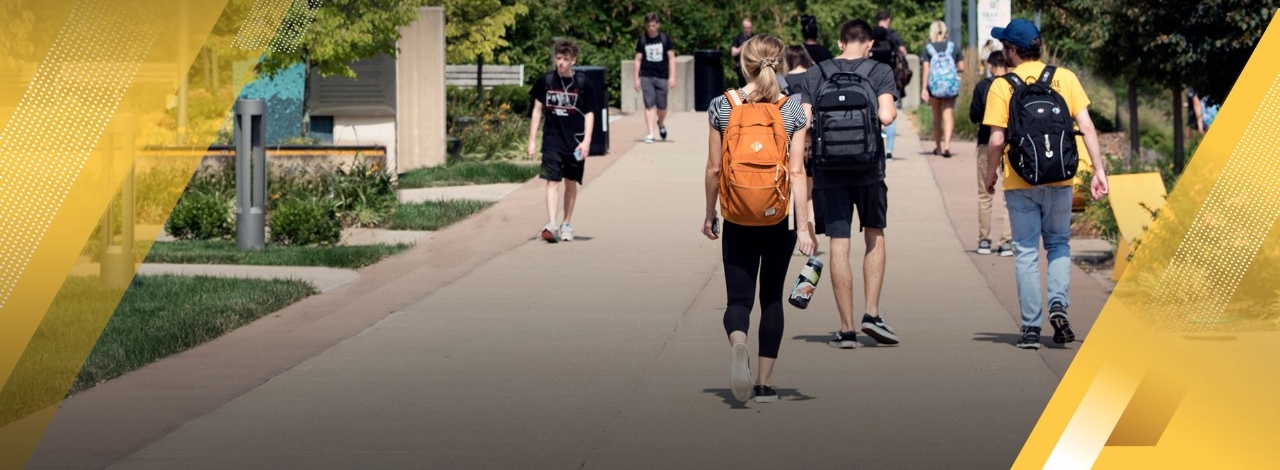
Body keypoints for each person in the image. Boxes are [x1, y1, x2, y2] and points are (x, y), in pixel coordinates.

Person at [983, 19, 1109, 350]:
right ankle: (1059, 306)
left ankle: (1029, 328)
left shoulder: (1002, 86)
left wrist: (990, 174)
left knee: (1025, 251)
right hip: (1061, 177)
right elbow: (1088, 127)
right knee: (1058, 244)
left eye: (1004, 47)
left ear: (1011, 50)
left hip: (1020, 180)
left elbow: (997, 140)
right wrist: (1099, 170)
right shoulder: (1064, 78)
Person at [702, 35, 813, 403]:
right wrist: (804, 227)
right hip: (777, 218)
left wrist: (709, 214)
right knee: (772, 300)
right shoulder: (792, 109)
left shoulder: (723, 105)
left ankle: (738, 342)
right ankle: (764, 386)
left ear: (743, 63)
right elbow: (797, 173)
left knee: (738, 300)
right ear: (778, 64)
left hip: (737, 216)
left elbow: (715, 169)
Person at [800, 19, 900, 349]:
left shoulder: (816, 73)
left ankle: (846, 330)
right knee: (874, 234)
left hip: (829, 170)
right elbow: (886, 117)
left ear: (840, 43)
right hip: (869, 168)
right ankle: (871, 314)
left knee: (839, 244)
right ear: (869, 43)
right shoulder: (880, 71)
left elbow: (804, 123)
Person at [528, 39, 596, 243]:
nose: (561, 63)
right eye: (558, 58)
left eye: (565, 59)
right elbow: (537, 110)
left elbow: (590, 113)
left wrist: (587, 142)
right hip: (552, 140)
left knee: (570, 183)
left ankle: (566, 223)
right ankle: (551, 223)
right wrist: (532, 140)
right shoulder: (546, 80)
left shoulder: (583, 83)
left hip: (574, 142)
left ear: (573, 60)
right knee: (552, 181)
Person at [969, 51, 1013, 257]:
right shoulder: (1014, 85)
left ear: (990, 65)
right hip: (1012, 144)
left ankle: (984, 240)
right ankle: (1006, 241)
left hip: (987, 141)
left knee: (985, 193)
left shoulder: (983, 87)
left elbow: (973, 115)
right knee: (1009, 194)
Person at [922, 20, 964, 157]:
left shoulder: (928, 49)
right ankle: (947, 146)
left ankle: (938, 147)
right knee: (948, 115)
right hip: (950, 87)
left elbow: (926, 70)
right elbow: (962, 67)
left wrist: (924, 89)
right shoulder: (953, 47)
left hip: (934, 87)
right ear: (946, 33)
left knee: (936, 117)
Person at [634, 12, 676, 144]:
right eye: (648, 26)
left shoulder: (664, 39)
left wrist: (672, 76)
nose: (651, 28)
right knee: (649, 105)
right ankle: (651, 133)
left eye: (653, 25)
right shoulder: (642, 40)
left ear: (657, 25)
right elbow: (638, 59)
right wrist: (636, 78)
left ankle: (661, 123)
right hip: (646, 75)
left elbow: (672, 58)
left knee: (662, 107)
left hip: (662, 76)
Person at [875, 9, 908, 161]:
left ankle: (875, 148)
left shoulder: (871, 34)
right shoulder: (893, 36)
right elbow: (903, 52)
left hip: (871, 77)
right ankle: (889, 151)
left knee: (873, 112)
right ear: (888, 20)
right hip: (890, 79)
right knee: (891, 113)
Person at [730, 17, 756, 87]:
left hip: (753, 66)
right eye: (745, 28)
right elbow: (733, 53)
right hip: (741, 66)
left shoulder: (754, 38)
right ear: (742, 27)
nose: (747, 30)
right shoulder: (738, 38)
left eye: (748, 28)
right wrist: (742, 47)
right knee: (743, 85)